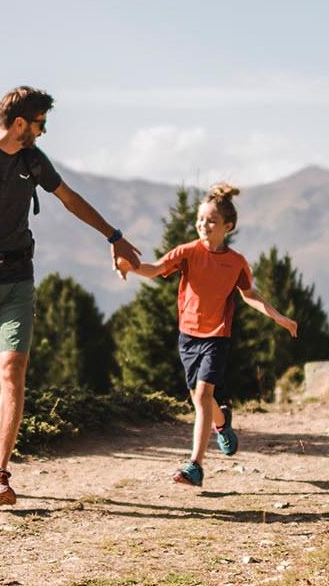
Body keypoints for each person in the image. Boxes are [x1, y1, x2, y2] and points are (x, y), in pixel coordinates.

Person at [0, 86, 142, 505]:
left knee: (13, 369)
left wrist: (113, 236)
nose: (44, 131)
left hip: (17, 278)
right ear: (20, 123)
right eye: (41, 123)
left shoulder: (32, 160)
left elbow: (70, 200)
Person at [118, 184, 297, 487]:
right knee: (201, 398)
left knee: (202, 395)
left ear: (228, 226)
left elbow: (249, 293)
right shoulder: (187, 252)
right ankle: (223, 423)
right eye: (200, 219)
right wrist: (130, 267)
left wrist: (278, 316)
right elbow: (155, 269)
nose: (203, 224)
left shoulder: (236, 261)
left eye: (211, 220)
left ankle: (195, 466)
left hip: (217, 336)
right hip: (187, 336)